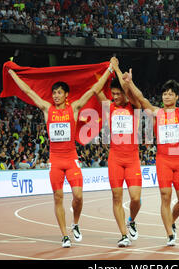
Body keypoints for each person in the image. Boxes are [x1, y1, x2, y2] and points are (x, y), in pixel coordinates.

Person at [8, 61, 113, 248]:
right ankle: (64, 235)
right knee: (58, 197)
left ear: (66, 95)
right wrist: (13, 75)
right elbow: (29, 92)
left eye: (59, 93)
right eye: (53, 93)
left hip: (71, 158)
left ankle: (75, 223)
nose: (55, 96)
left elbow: (94, 89)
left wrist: (110, 70)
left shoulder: (73, 109)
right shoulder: (48, 109)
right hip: (55, 160)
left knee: (78, 196)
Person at [124, 69, 179, 246]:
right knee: (165, 196)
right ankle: (169, 234)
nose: (167, 96)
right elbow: (141, 99)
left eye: (170, 94)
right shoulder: (157, 112)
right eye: (164, 93)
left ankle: (172, 220)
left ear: (176, 97)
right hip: (163, 160)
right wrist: (130, 83)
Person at [94, 57, 142, 247]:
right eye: (112, 93)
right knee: (116, 197)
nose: (114, 96)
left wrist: (117, 67)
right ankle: (123, 235)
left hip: (132, 159)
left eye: (117, 94)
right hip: (115, 158)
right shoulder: (109, 107)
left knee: (136, 198)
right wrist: (108, 71)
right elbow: (96, 90)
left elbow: (130, 91)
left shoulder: (134, 106)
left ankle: (131, 220)